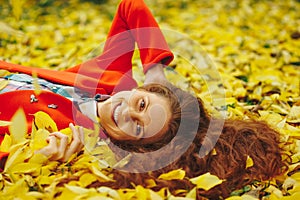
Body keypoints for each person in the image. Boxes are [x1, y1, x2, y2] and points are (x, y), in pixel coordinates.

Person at [0, 0, 288, 198]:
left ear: (132, 145)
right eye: (141, 104)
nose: (127, 112)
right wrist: (155, 70)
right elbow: (130, 7)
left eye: (137, 127)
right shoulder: (113, 79)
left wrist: (37, 158)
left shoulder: (71, 141)